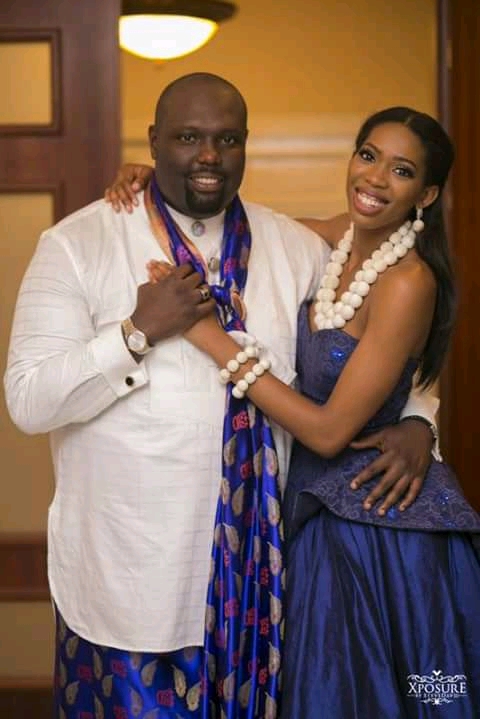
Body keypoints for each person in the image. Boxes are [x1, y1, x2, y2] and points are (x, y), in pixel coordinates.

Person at [4, 73, 437, 719]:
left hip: (271, 588)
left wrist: (418, 419)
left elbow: (377, 335)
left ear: (245, 144)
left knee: (420, 686)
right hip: (131, 583)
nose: (208, 156)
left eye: (227, 140)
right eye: (187, 138)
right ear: (153, 141)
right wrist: (135, 333)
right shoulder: (79, 243)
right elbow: (29, 401)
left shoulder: (295, 247)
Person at [146, 106, 480, 717]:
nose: (375, 178)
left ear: (427, 194)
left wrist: (210, 338)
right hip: (310, 510)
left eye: (402, 170)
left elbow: (328, 433)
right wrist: (147, 184)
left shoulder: (408, 282)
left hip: (379, 529)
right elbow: (239, 225)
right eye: (368, 155)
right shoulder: (335, 238)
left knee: (419, 695)